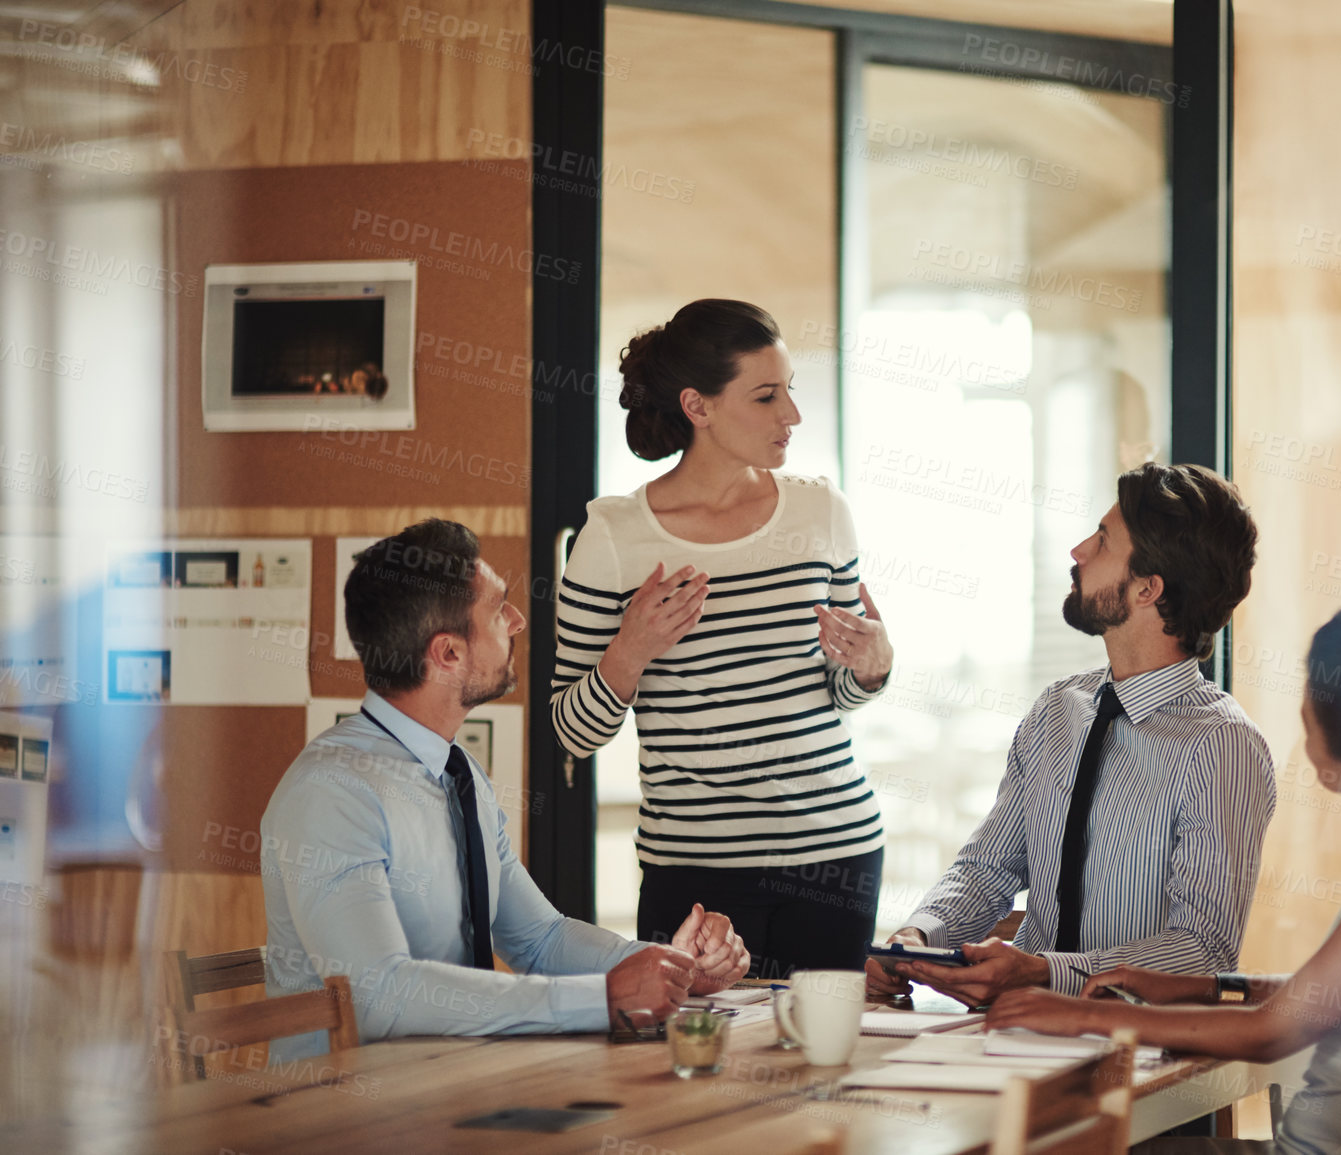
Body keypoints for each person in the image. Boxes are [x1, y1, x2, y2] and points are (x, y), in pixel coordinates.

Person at [986, 608, 1341, 1155]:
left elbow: (1273, 1033)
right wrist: (1204, 987)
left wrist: (1084, 1015)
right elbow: (1335, 995)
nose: (1302, 707)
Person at [261, 520, 749, 1061]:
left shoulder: (460, 772)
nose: (516, 621)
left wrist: (668, 967)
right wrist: (603, 997)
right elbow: (378, 998)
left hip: (450, 1088)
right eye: (498, 609)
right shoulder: (333, 794)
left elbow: (539, 939)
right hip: (337, 1119)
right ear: (447, 653)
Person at [550, 299, 894, 979]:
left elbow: (837, 689)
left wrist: (873, 667)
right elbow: (571, 732)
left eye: (789, 390)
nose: (791, 414)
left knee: (816, 1064)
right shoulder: (614, 538)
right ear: (697, 407)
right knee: (690, 1058)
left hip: (835, 852)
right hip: (693, 868)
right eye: (765, 396)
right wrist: (629, 650)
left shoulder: (822, 510)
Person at [868, 462, 1275, 1006]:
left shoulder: (1222, 746)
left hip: (1139, 1051)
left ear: (1148, 589)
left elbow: (1203, 950)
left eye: (1103, 542)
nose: (1078, 550)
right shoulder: (1059, 709)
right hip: (1012, 1028)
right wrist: (918, 938)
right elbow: (988, 867)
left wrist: (1044, 974)